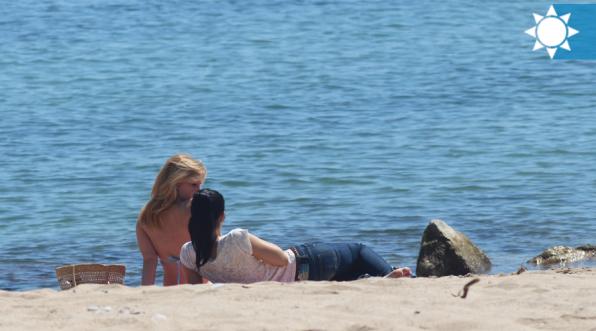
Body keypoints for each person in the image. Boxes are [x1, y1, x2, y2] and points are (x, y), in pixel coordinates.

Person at [180, 189, 412, 284]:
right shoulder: (237, 238)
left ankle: (376, 280)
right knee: (357, 250)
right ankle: (390, 276)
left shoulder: (189, 253)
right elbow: (281, 259)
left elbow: (194, 289)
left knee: (347, 273)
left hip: (302, 279)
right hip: (306, 263)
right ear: (222, 216)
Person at [136, 154, 207, 286]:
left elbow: (149, 261)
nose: (199, 190)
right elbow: (214, 251)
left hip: (170, 289)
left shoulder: (145, 217)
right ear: (176, 184)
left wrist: (145, 292)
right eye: (194, 185)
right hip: (200, 287)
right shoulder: (196, 209)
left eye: (200, 185)